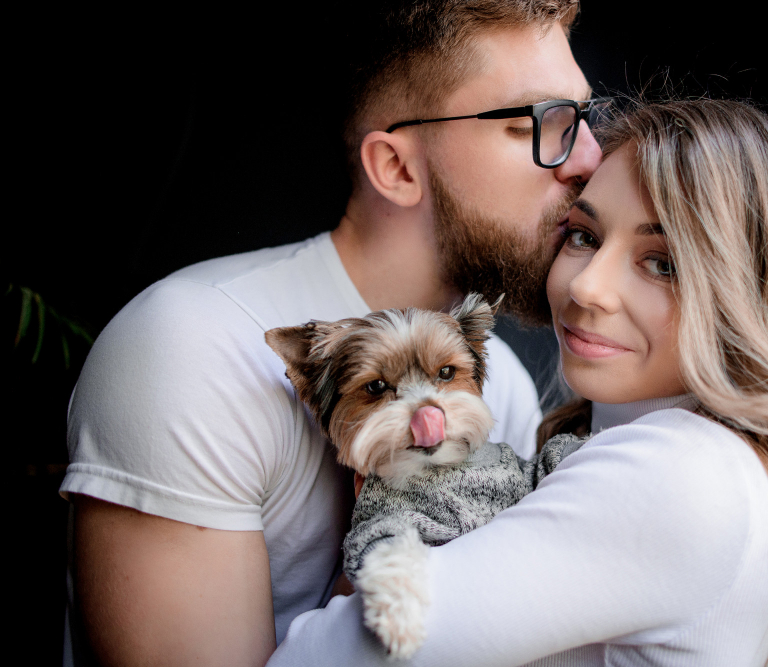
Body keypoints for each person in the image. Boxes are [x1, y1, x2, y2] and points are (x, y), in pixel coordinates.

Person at [266, 99, 768, 667]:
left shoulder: (678, 470)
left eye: (661, 262)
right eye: (582, 235)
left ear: (755, 294)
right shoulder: (706, 460)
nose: (585, 285)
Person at [61, 2, 603, 665]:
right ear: (397, 168)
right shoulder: (191, 349)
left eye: (581, 119)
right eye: (536, 123)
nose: (590, 160)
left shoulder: (503, 388)